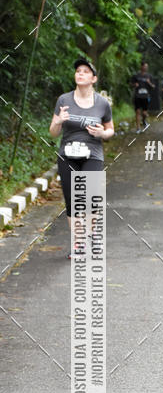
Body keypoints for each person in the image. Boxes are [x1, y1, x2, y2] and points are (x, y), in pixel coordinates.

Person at [49, 58, 114, 257]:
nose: (80, 74)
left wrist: (101, 133)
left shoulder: (102, 103)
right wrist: (59, 121)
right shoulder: (63, 100)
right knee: (73, 201)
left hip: (93, 155)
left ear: (93, 78)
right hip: (67, 155)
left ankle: (92, 235)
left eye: (85, 71)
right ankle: (78, 243)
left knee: (91, 200)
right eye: (78, 70)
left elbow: (110, 130)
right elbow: (53, 132)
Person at [131, 61, 155, 131]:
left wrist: (149, 82)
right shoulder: (136, 76)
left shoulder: (149, 76)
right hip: (137, 96)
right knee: (137, 112)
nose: (146, 68)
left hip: (146, 96)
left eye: (147, 67)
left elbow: (153, 86)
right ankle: (138, 128)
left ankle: (144, 121)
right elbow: (131, 84)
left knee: (144, 113)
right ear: (141, 67)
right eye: (145, 66)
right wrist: (134, 85)